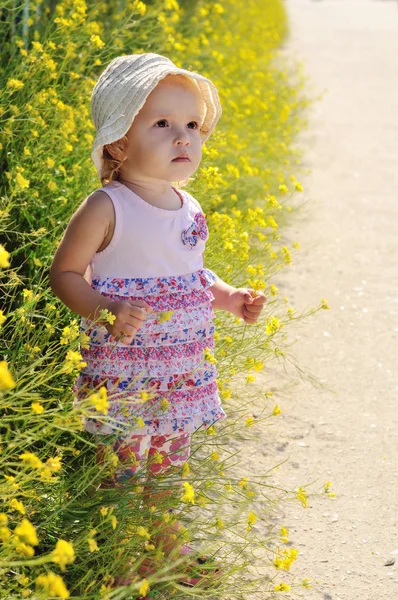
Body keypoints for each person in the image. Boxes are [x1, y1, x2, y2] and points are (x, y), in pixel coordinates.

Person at [50, 52, 266, 589]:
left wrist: (228, 297)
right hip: (125, 366)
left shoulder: (188, 206)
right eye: (163, 124)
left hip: (180, 368)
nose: (183, 138)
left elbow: (189, 276)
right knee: (121, 464)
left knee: (170, 465)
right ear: (119, 142)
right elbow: (66, 274)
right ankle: (118, 549)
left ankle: (165, 544)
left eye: (192, 125)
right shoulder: (107, 206)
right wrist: (106, 309)